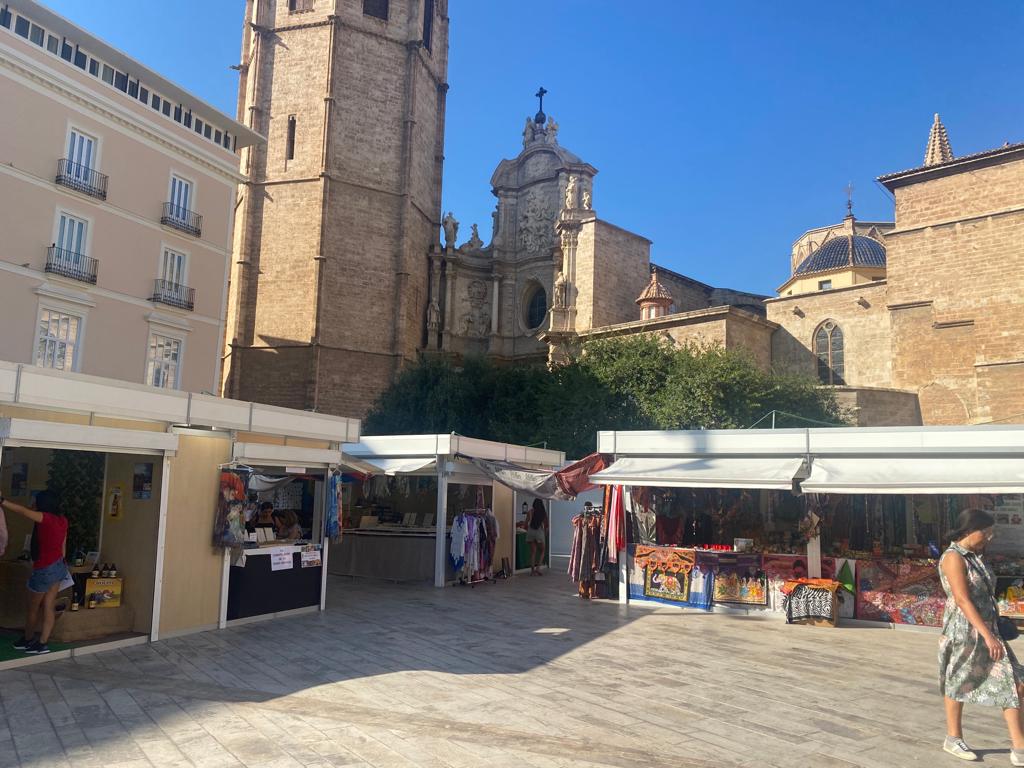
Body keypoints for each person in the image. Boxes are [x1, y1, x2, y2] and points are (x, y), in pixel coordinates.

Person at [938, 508, 1024, 764]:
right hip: (965, 632)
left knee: (1015, 681)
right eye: (985, 532)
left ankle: (1019, 745)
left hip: (988, 629)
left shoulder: (975, 556)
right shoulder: (953, 557)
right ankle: (954, 738)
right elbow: (962, 600)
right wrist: (987, 635)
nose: (989, 537)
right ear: (968, 530)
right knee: (957, 681)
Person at [0, 489, 69, 655]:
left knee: (32, 607)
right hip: (58, 566)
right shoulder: (62, 520)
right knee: (49, 605)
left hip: (44, 568)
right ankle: (42, 643)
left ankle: (28, 639)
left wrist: (2, 501)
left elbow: (22, 511)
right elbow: (63, 548)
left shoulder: (45, 519)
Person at [525, 498, 548, 576]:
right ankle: (538, 569)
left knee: (533, 552)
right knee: (542, 551)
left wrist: (526, 528)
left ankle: (532, 571)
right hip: (539, 532)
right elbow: (546, 525)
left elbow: (526, 523)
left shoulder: (530, 512)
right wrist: (544, 533)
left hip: (531, 532)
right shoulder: (543, 513)